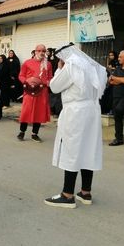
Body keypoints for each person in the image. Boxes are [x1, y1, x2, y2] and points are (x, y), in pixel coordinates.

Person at [44, 43, 107, 208]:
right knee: (88, 148)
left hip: (76, 111)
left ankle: (67, 194)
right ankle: (86, 192)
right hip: (92, 111)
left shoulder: (71, 65)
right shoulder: (96, 67)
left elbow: (55, 86)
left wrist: (59, 69)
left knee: (72, 150)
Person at [17, 44, 53, 142]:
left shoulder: (48, 64)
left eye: (44, 51)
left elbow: (50, 77)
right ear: (35, 51)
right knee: (26, 111)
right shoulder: (27, 63)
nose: (42, 53)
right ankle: (22, 132)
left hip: (42, 91)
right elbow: (21, 76)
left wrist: (47, 83)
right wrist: (28, 81)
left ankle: (35, 134)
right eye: (40, 50)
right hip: (29, 91)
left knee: (39, 112)